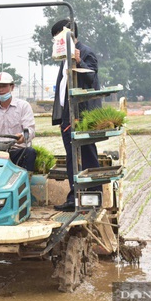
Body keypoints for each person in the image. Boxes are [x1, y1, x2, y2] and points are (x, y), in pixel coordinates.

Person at [51, 19, 101, 212]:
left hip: (82, 114)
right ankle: (75, 198)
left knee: (87, 154)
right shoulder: (64, 57)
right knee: (72, 157)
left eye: (58, 37)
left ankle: (92, 196)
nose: (56, 42)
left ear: (68, 36)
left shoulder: (85, 52)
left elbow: (91, 77)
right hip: (67, 115)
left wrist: (79, 60)